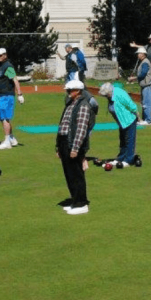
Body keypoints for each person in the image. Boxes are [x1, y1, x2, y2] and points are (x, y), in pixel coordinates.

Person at [56, 79, 94, 214]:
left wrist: (75, 148)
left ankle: (81, 203)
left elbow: (81, 129)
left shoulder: (83, 106)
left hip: (73, 143)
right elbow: (63, 124)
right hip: (64, 142)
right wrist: (58, 147)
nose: (67, 92)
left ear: (78, 91)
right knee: (69, 174)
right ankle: (74, 199)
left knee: (76, 174)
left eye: (70, 90)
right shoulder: (70, 104)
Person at [98, 82, 139, 166]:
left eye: (106, 95)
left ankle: (128, 160)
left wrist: (137, 115)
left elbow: (131, 104)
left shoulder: (120, 93)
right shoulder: (111, 96)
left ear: (109, 92)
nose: (105, 97)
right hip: (121, 122)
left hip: (129, 119)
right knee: (123, 141)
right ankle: (120, 158)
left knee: (129, 140)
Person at [0, 47, 24, 150]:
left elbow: (15, 79)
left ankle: (7, 142)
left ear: (5, 55)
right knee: (3, 118)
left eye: (1, 55)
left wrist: (19, 94)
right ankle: (11, 138)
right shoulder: (1, 67)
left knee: (5, 118)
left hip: (6, 96)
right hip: (0, 96)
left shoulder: (8, 66)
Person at [128, 47, 151, 125]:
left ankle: (148, 120)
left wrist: (134, 78)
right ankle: (146, 119)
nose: (138, 55)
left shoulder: (145, 63)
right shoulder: (144, 62)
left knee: (146, 103)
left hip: (147, 85)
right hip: (145, 85)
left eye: (139, 53)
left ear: (143, 54)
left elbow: (143, 74)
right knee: (145, 102)